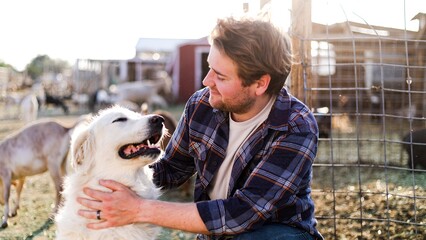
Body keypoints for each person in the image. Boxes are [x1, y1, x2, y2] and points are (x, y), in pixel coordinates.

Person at [77, 17, 323, 240]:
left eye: (221, 76)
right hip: (215, 234)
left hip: (277, 233)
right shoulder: (201, 104)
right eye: (209, 68)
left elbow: (243, 214)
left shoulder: (294, 126)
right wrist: (107, 179)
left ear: (260, 84)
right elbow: (170, 169)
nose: (207, 82)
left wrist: (138, 209)